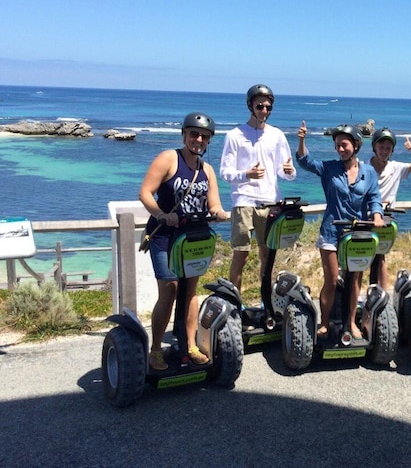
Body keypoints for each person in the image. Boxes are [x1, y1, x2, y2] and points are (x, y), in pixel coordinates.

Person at [139, 112, 230, 371]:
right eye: (194, 134)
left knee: (190, 290)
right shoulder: (169, 158)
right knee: (169, 288)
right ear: (184, 134)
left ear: (209, 141)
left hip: (191, 239)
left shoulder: (207, 170)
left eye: (204, 136)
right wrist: (161, 214)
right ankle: (156, 349)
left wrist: (221, 214)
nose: (198, 139)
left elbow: (214, 204)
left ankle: (189, 345)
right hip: (164, 236)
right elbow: (145, 192)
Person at [296, 121, 384, 339]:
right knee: (333, 280)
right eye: (337, 145)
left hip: (357, 233)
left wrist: (377, 215)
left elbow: (374, 198)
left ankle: (351, 322)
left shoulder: (369, 172)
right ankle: (324, 322)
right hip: (331, 231)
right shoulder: (329, 168)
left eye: (344, 145)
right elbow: (306, 162)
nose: (340, 149)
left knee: (355, 278)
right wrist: (301, 140)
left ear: (355, 145)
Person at [219, 84, 296, 296]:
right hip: (244, 201)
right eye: (260, 106)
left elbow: (285, 172)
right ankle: (235, 300)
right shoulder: (234, 135)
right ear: (250, 106)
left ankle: (265, 302)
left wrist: (289, 170)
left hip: (270, 201)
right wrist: (247, 174)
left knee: (267, 255)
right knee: (241, 255)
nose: (264, 111)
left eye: (268, 108)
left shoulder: (277, 135)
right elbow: (225, 172)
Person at [368, 127, 411, 288]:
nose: (384, 151)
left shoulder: (396, 167)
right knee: (364, 256)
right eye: (381, 147)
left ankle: (382, 293)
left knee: (380, 257)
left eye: (388, 148)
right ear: (374, 147)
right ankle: (367, 292)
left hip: (386, 217)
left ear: (392, 151)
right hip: (366, 217)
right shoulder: (364, 167)